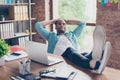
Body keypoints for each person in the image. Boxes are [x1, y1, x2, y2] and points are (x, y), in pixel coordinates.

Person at [35, 18, 110, 74]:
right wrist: (53, 21)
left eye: (64, 24)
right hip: (61, 57)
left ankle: (95, 54)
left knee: (84, 54)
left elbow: (82, 23)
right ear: (55, 26)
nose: (62, 25)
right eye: (59, 24)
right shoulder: (51, 35)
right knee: (70, 50)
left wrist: (67, 21)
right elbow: (38, 25)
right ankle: (95, 64)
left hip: (73, 56)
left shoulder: (72, 35)